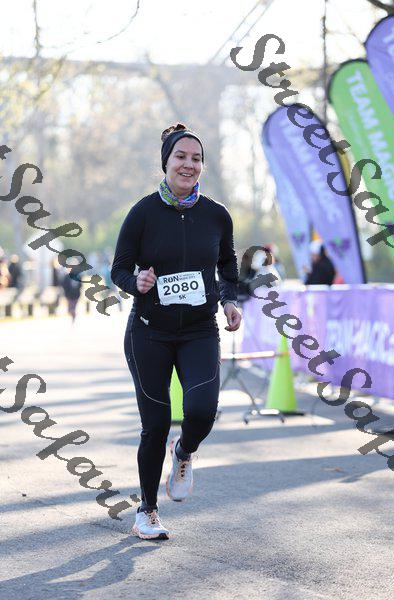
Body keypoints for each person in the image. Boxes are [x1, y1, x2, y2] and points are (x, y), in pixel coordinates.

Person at [111, 122, 241, 541]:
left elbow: (227, 266)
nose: (189, 165)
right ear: (166, 163)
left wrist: (230, 300)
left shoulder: (217, 215)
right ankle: (147, 512)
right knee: (156, 423)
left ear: (202, 165)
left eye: (196, 158)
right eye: (180, 157)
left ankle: (184, 452)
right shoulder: (143, 212)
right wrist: (136, 283)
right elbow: (119, 268)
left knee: (201, 411)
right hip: (149, 332)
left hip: (199, 330)